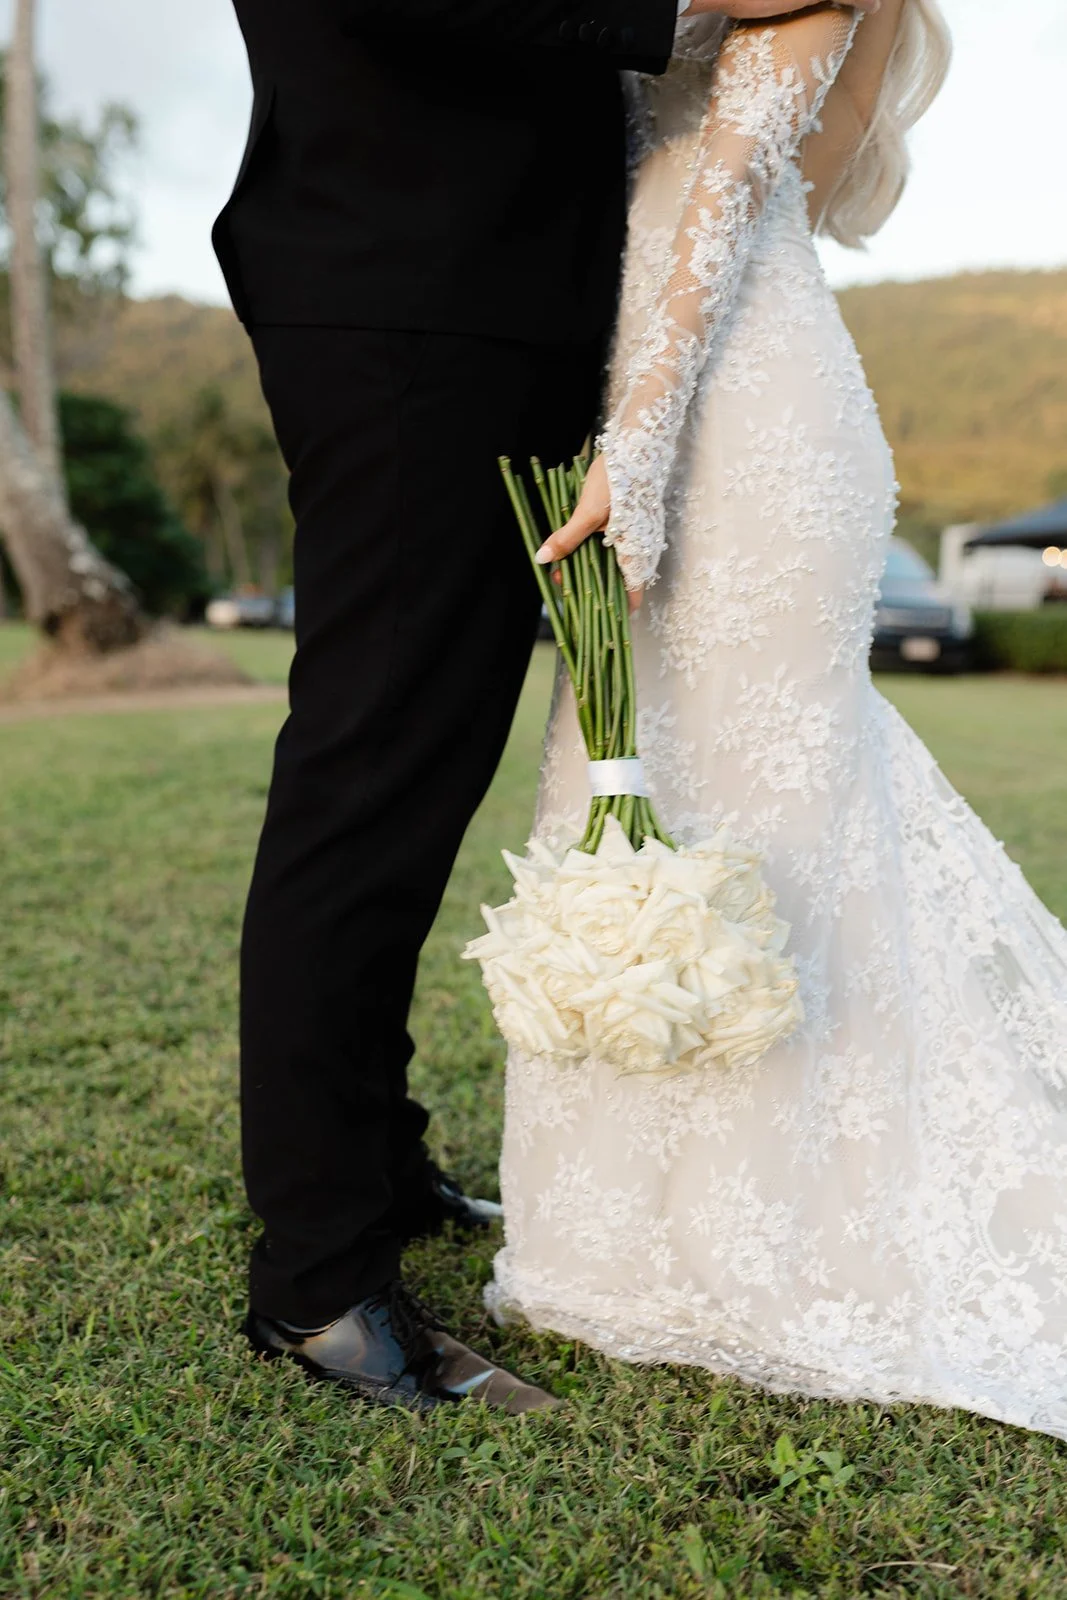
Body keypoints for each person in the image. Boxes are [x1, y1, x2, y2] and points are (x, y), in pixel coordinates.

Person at [211, 0, 875, 1413]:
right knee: (372, 759)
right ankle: (317, 1278)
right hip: (405, 277)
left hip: (506, 286)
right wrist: (691, 3)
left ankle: (376, 1156)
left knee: (428, 753)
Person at [491, 0, 1067, 1442]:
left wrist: (638, 436)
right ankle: (615, 1230)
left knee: (766, 817)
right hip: (661, 384)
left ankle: (769, 1237)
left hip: (731, 412)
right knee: (627, 781)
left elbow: (742, 190)